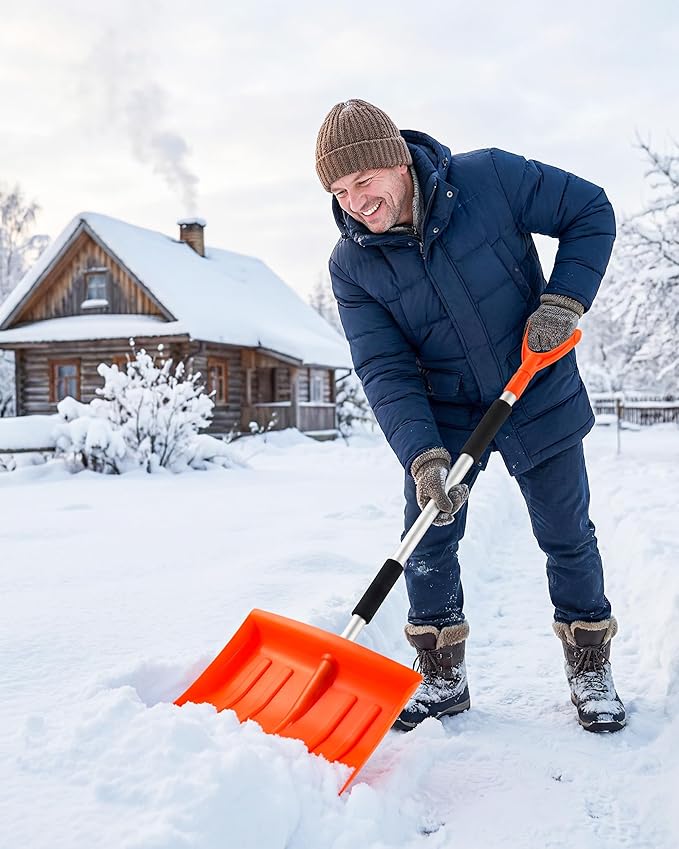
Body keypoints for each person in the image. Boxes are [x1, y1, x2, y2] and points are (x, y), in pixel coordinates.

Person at [315, 99, 625, 733]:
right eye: (339, 191)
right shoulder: (351, 265)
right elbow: (385, 369)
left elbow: (590, 209)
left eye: (363, 182)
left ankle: (589, 664)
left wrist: (564, 299)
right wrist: (423, 455)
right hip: (445, 405)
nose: (354, 203)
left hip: (534, 378)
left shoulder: (489, 179)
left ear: (397, 162)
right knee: (428, 535)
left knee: (566, 533)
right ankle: (441, 676)